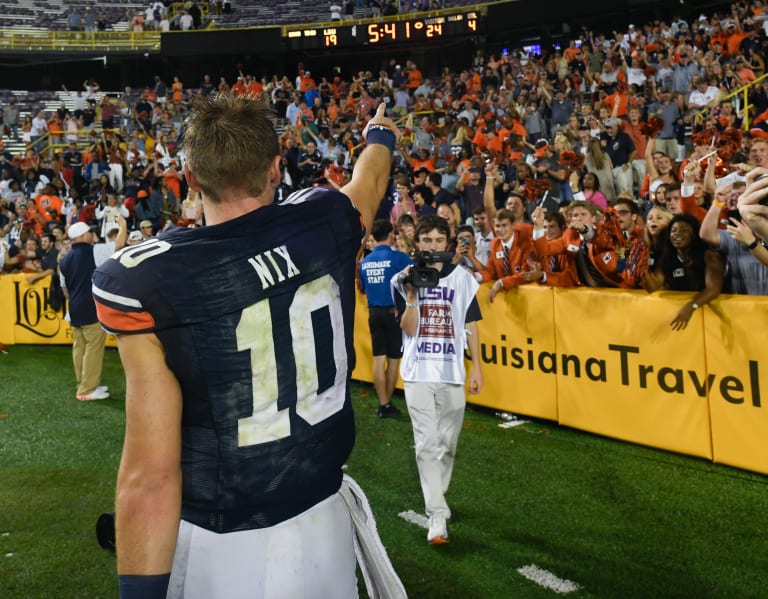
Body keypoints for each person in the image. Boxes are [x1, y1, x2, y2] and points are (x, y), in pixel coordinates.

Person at [92, 97, 404, 599]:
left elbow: (151, 477)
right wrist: (380, 136)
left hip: (222, 545)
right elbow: (368, 183)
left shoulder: (151, 278)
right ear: (277, 167)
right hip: (324, 523)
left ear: (190, 179)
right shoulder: (322, 221)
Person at [391, 214, 483, 545]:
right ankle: (436, 516)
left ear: (448, 243)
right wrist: (413, 297)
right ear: (417, 244)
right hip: (418, 371)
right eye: (426, 240)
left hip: (452, 371)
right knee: (426, 443)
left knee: (447, 444)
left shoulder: (462, 279)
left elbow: (471, 325)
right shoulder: (403, 279)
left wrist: (479, 368)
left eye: (438, 240)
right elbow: (410, 329)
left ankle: (438, 500)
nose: (433, 246)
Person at [59, 217, 126, 401]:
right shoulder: (95, 250)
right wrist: (122, 225)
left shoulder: (63, 261)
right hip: (91, 308)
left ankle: (84, 383)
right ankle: (87, 389)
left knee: (79, 348)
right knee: (93, 349)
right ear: (82, 235)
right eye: (89, 232)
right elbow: (119, 244)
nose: (92, 234)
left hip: (74, 308)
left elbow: (65, 290)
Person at [359, 219, 413, 418]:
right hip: (394, 314)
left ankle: (384, 403)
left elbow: (363, 288)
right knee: (393, 361)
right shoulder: (399, 258)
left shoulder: (365, 262)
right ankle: (386, 403)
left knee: (377, 358)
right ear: (391, 235)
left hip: (374, 313)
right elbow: (417, 275)